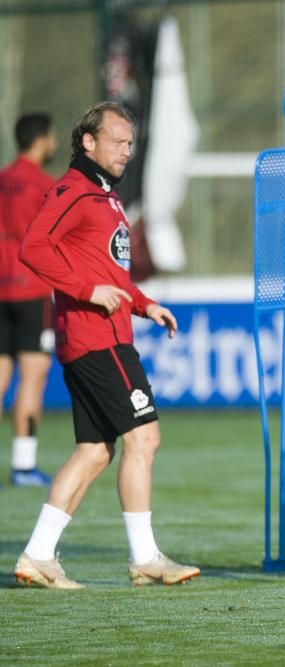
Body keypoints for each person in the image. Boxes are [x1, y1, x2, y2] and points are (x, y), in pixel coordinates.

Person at [12, 101, 199, 589]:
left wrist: (144, 304)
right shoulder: (73, 190)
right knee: (145, 437)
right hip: (98, 340)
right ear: (87, 142)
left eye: (131, 142)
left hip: (102, 336)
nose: (126, 150)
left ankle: (37, 555)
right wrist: (86, 291)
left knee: (95, 452)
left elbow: (110, 273)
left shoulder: (106, 198)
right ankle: (145, 558)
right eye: (117, 140)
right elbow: (33, 247)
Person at [0, 113, 58, 487]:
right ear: (41, 140)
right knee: (33, 378)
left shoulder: (2, 180)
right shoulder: (42, 185)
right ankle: (23, 466)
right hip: (32, 289)